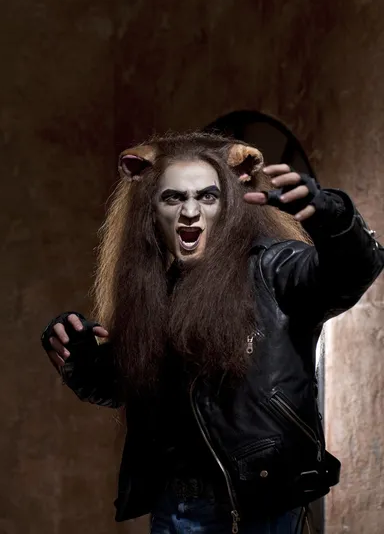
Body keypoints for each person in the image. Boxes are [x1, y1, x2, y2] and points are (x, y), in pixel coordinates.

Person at [42, 132, 383, 534]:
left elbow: (352, 271)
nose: (190, 211)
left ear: (229, 205)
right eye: (173, 198)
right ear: (151, 210)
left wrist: (335, 216)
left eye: (207, 196)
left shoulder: (274, 270)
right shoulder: (153, 291)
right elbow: (128, 388)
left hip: (259, 509)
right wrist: (78, 358)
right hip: (173, 511)